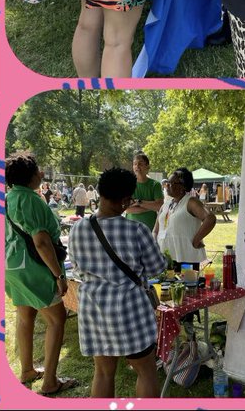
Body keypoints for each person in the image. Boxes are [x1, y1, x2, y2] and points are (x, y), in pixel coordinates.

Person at [68, 166, 165, 398]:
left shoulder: (78, 229)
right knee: (146, 372)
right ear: (125, 201)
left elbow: (77, 268)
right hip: (130, 310)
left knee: (103, 372)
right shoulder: (137, 230)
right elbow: (157, 267)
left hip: (94, 308)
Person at [5, 152, 76, 396]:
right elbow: (42, 242)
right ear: (30, 175)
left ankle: (27, 370)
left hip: (12, 268)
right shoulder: (30, 199)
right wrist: (59, 275)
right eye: (38, 170)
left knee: (25, 315)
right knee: (57, 319)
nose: (42, 174)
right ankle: (50, 382)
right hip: (33, 269)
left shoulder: (7, 198)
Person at [155, 168, 216, 266]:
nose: (167, 185)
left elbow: (210, 219)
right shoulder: (166, 204)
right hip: (164, 258)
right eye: (167, 182)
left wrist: (196, 240)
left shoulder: (191, 202)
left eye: (171, 183)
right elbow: (156, 230)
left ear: (183, 186)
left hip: (186, 258)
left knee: (185, 277)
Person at [125, 152, 163, 233]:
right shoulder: (128, 184)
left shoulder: (155, 185)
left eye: (140, 164)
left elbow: (160, 206)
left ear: (147, 166)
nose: (137, 166)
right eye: (135, 164)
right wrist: (151, 206)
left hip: (150, 229)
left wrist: (138, 202)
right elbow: (128, 209)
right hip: (131, 230)